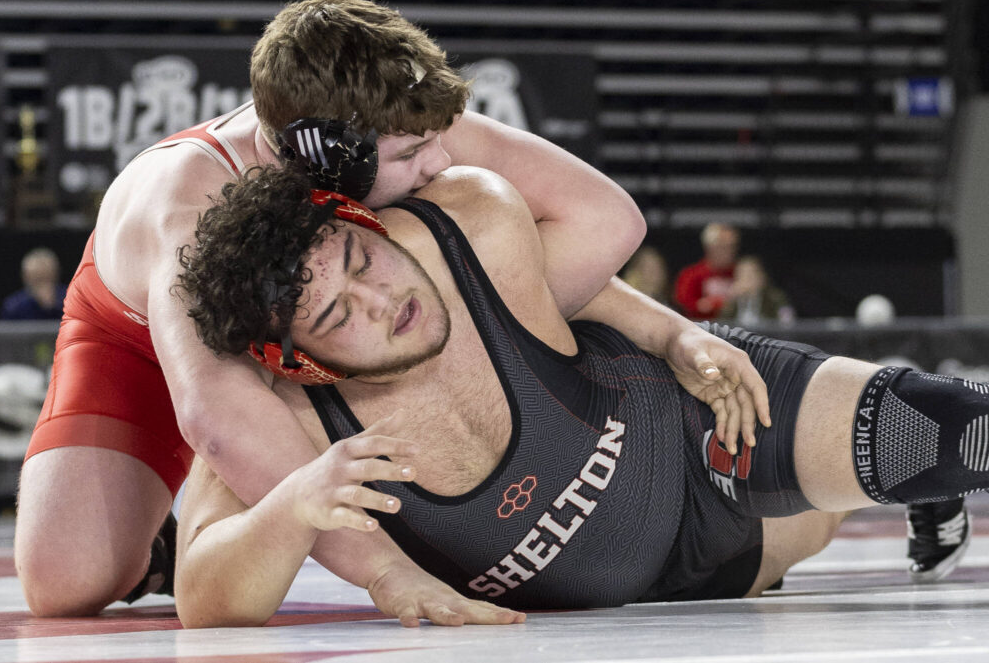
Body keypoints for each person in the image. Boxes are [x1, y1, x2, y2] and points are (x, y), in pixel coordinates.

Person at [12, 0, 689, 624]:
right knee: (64, 581)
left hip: (317, 325)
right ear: (333, 160)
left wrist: (514, 326)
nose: (442, 158)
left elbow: (605, 220)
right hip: (135, 339)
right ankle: (158, 546)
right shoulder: (188, 207)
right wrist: (386, 573)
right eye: (415, 151)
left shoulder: (381, 121)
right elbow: (216, 414)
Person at [169, 164, 989, 627]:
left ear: (357, 217)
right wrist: (294, 508)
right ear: (300, 359)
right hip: (685, 573)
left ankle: (918, 465)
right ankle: (910, 484)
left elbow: (575, 280)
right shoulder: (282, 425)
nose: (385, 299)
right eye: (339, 314)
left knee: (940, 433)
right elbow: (203, 594)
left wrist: (676, 335)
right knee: (819, 517)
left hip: (695, 413)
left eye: (360, 259)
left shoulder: (461, 221)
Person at [674, 223, 740, 320]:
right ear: (710, 247)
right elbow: (685, 306)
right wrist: (720, 303)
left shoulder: (741, 272)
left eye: (732, 246)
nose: (730, 251)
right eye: (723, 246)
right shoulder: (691, 275)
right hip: (702, 329)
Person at [719, 255, 794, 326]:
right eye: (742, 276)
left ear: (761, 277)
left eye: (750, 276)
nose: (746, 280)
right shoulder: (734, 299)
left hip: (767, 337)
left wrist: (754, 294)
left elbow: (787, 323)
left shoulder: (774, 297)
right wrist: (730, 300)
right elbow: (723, 324)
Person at [0, 247, 67, 321]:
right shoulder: (13, 305)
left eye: (46, 277)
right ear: (25, 277)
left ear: (56, 274)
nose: (42, 285)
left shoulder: (72, 299)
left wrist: (54, 307)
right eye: (37, 279)